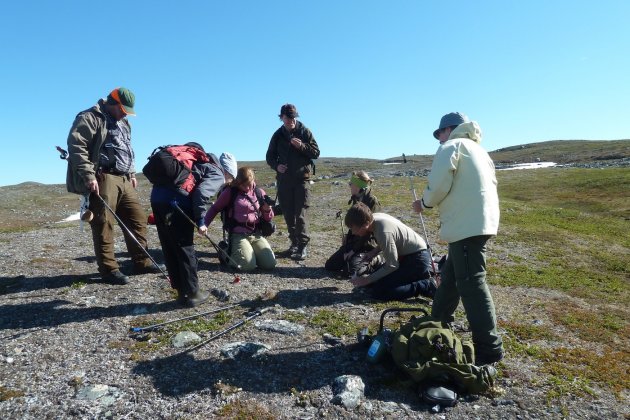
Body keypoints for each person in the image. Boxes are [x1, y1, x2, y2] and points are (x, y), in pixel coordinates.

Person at [413, 112, 504, 365]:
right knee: (452, 278)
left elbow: (440, 183)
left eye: (439, 133)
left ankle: (489, 348)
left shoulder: (452, 146)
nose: (439, 139)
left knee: (472, 284)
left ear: (449, 130)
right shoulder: (479, 150)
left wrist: (424, 203)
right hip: (480, 222)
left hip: (466, 225)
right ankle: (437, 322)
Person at [65, 87, 162, 285]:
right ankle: (109, 270)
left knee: (137, 219)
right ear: (114, 103)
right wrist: (88, 175)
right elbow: (76, 145)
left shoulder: (124, 123)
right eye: (123, 109)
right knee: (103, 223)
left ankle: (141, 261)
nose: (125, 113)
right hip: (103, 177)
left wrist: (132, 172)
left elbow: (127, 149)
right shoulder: (89, 117)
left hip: (125, 178)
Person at [150, 145, 236, 307]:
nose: (228, 183)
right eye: (231, 178)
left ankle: (181, 291)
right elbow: (201, 194)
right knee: (185, 247)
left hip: (157, 198)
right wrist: (201, 221)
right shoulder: (217, 172)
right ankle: (193, 293)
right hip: (177, 203)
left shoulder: (198, 164)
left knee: (169, 246)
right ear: (228, 172)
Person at [344, 202, 436, 301]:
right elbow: (391, 239)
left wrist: (367, 279)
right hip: (409, 255)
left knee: (381, 292)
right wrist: (374, 252)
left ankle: (425, 286)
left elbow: (392, 265)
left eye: (354, 229)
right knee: (375, 283)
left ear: (366, 224)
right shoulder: (374, 218)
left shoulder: (383, 231)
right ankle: (415, 277)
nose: (353, 233)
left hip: (417, 260)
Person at [265, 103, 320, 261]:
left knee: (301, 213)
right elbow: (269, 156)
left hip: (302, 180)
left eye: (293, 117)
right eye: (287, 118)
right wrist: (277, 166)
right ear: (281, 117)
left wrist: (302, 146)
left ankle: (303, 246)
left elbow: (316, 152)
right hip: (284, 180)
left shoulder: (304, 131)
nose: (291, 120)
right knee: (288, 213)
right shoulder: (277, 135)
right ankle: (294, 244)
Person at [202, 166, 276, 271]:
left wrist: (267, 209)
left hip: (256, 234)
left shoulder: (259, 193)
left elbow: (268, 219)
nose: (246, 188)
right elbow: (214, 208)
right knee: (247, 266)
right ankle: (224, 252)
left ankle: (250, 252)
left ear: (253, 179)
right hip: (238, 235)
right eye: (243, 185)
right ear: (238, 182)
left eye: (249, 185)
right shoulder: (230, 192)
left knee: (269, 265)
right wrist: (204, 224)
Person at [325, 171, 381, 277]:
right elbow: (355, 223)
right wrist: (348, 237)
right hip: (355, 240)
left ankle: (375, 260)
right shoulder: (356, 199)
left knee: (350, 272)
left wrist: (352, 251)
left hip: (367, 243)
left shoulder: (371, 201)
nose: (349, 186)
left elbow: (368, 230)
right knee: (330, 266)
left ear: (358, 186)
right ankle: (354, 260)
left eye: (351, 184)